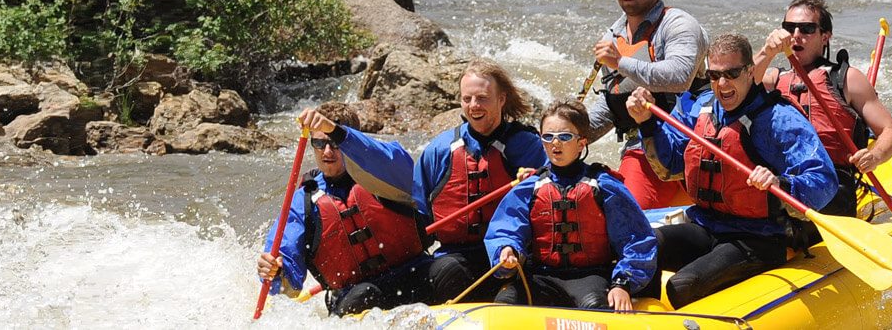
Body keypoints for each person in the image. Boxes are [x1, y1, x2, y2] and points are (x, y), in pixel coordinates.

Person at [297, 60, 546, 303]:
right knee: (446, 272)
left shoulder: (529, 147)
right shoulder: (439, 150)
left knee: (514, 294)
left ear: (501, 99)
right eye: (467, 99)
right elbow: (418, 212)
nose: (473, 106)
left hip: (515, 254)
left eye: (482, 98)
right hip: (460, 256)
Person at [624, 33, 838, 308]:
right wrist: (646, 124)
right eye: (714, 76)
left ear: (750, 72)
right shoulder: (701, 110)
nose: (722, 84)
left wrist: (781, 183)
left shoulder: (778, 120)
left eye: (731, 74)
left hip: (759, 237)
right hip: (706, 225)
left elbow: (824, 180)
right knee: (643, 248)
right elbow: (670, 165)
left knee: (682, 285)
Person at [257, 102, 435, 315]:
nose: (327, 151)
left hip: (412, 272)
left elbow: (401, 166)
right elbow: (288, 276)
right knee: (366, 293)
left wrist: (341, 133)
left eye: (335, 142)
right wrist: (275, 271)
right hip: (355, 294)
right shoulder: (304, 201)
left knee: (450, 268)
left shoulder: (383, 174)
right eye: (319, 143)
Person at [484, 100, 657, 310]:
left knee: (595, 305)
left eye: (564, 137)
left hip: (589, 276)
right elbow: (507, 228)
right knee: (506, 303)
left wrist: (623, 282)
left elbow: (635, 239)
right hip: (541, 276)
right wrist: (507, 249)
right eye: (548, 137)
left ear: (581, 143)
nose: (555, 143)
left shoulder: (604, 185)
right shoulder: (529, 187)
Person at [751, 0, 892, 217]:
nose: (796, 35)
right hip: (780, 179)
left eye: (806, 29)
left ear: (825, 36)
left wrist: (875, 155)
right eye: (789, 28)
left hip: (831, 185)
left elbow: (891, 132)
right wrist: (766, 52)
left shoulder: (847, 79)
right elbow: (736, 85)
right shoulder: (773, 79)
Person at [586, 0, 708, 209]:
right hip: (643, 145)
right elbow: (612, 103)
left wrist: (620, 62)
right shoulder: (611, 38)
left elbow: (680, 77)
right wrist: (570, 134)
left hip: (692, 143)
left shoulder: (679, 24)